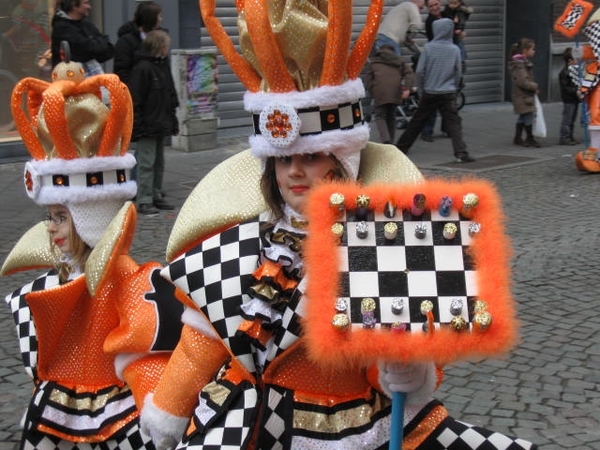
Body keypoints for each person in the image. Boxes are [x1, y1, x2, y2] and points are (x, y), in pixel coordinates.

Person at [138, 2, 538, 449]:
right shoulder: (240, 246)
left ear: (343, 161)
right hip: (242, 423)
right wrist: (168, 409)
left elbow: (392, 352)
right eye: (282, 160)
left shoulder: (381, 247)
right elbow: (201, 342)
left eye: (311, 157)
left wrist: (406, 370)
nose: (293, 173)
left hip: (335, 429)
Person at [4, 56, 183, 449]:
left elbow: (145, 345)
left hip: (113, 412)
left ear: (91, 219)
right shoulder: (61, 275)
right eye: (49, 217)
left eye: (61, 218)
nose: (50, 228)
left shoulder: (126, 276)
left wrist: (155, 398)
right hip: (57, 403)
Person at [396, 18, 475, 163]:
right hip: (447, 93)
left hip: (430, 91)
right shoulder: (454, 50)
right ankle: (461, 153)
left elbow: (420, 71)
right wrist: (455, 87)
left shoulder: (428, 48)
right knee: (454, 123)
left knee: (417, 121)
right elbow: (458, 71)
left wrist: (421, 88)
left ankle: (401, 149)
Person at [128, 29, 179, 216]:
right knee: (146, 162)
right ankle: (144, 198)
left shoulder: (161, 65)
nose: (167, 48)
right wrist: (139, 126)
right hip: (149, 124)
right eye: (165, 45)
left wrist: (172, 120)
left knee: (158, 162)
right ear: (159, 47)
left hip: (159, 122)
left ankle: (155, 194)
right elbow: (136, 101)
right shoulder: (143, 69)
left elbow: (170, 94)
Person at [364, 44, 414, 145]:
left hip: (380, 91)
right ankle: (391, 140)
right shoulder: (400, 62)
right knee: (391, 116)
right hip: (395, 91)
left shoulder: (374, 63)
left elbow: (368, 80)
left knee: (380, 116)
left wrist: (373, 92)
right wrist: (408, 88)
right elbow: (409, 73)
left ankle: (386, 139)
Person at [50, 0, 114, 76]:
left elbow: (108, 50)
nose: (89, 7)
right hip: (71, 80)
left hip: (94, 81)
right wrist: (96, 45)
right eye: (86, 3)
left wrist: (93, 46)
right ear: (74, 5)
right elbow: (83, 49)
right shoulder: (61, 28)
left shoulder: (87, 25)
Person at [114, 1, 163, 85]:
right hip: (135, 91)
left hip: (156, 91)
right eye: (159, 16)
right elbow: (122, 71)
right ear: (151, 18)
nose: (161, 19)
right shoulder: (126, 42)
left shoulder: (160, 39)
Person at [1, 0, 49, 77]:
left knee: (37, 65)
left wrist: (6, 35)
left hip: (38, 45)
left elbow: (18, 26)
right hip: (31, 44)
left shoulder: (42, 13)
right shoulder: (22, 11)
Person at [508, 38, 540, 148]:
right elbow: (523, 82)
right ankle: (530, 138)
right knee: (528, 116)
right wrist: (534, 87)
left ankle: (518, 137)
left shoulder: (523, 63)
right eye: (533, 49)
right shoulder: (519, 65)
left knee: (523, 116)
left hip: (524, 95)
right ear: (525, 50)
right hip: (523, 95)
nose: (534, 51)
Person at [558, 47, 580, 146]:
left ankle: (570, 136)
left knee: (572, 118)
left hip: (574, 98)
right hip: (569, 99)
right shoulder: (565, 73)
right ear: (570, 60)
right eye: (576, 59)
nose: (577, 60)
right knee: (567, 119)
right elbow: (566, 87)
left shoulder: (574, 71)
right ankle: (564, 137)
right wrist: (576, 91)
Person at [442, 0, 473, 66]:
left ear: (459, 3)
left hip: (456, 33)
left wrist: (460, 28)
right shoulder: (447, 9)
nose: (452, 5)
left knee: (459, 44)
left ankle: (461, 62)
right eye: (451, 3)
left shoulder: (461, 11)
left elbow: (462, 21)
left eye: (455, 3)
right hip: (450, 35)